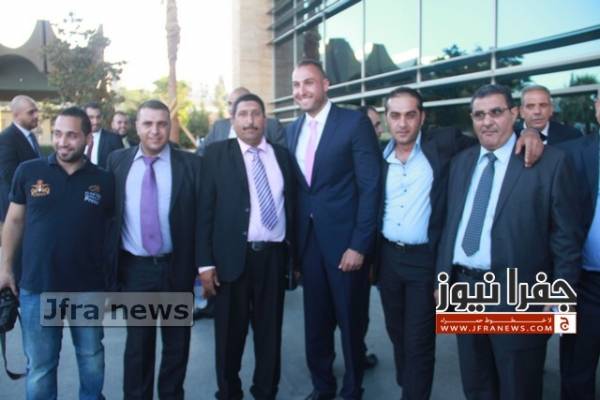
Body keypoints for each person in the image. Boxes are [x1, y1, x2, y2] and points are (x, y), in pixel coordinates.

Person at [375, 87, 543, 399]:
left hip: (426, 259)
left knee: (419, 341)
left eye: (410, 115)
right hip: (388, 259)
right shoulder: (378, 156)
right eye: (395, 115)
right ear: (387, 119)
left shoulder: (445, 144)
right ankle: (407, 383)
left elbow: (494, 139)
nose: (402, 123)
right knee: (398, 334)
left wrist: (528, 131)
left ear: (422, 117)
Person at [435, 84, 582, 400]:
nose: (487, 121)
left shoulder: (551, 162)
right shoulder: (461, 162)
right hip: (464, 292)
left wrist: (561, 298)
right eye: (479, 115)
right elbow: (451, 226)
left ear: (514, 114)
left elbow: (566, 239)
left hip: (520, 294)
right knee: (476, 386)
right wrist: (442, 279)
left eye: (496, 112)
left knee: (519, 389)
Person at [0, 106, 114, 399]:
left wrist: (110, 285)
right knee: (40, 367)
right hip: (38, 287)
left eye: (72, 135)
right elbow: (14, 221)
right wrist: (5, 268)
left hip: (88, 288)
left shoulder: (104, 180)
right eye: (58, 134)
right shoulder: (29, 172)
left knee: (91, 358)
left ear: (88, 138)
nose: (63, 142)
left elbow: (111, 234)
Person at [286, 59, 381, 400]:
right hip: (309, 244)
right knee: (316, 322)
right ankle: (322, 386)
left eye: (308, 83)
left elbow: (370, 187)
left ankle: (353, 387)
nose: (301, 91)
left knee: (351, 321)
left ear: (325, 85)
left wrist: (359, 244)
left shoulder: (354, 123)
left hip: (346, 246)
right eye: (296, 85)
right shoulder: (292, 130)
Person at [198, 93, 296, 400]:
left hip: (273, 259)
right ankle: (229, 393)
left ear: (265, 119)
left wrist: (294, 260)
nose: (250, 121)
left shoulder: (282, 156)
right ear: (233, 119)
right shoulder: (215, 154)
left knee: (270, 334)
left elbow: (291, 205)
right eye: (243, 114)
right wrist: (205, 263)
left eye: (256, 114)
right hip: (231, 261)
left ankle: (266, 392)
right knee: (230, 335)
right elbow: (204, 211)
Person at [106, 99, 201, 399]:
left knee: (176, 346)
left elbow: (203, 218)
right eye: (147, 123)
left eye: (162, 124)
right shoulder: (117, 162)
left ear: (169, 126)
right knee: (138, 347)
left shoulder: (191, 164)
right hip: (136, 271)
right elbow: (106, 217)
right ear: (136, 127)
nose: (155, 131)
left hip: (177, 268)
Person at [559, 96, 600, 400]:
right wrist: (529, 133)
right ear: (597, 107)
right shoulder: (571, 153)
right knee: (577, 371)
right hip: (586, 284)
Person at [195, 87, 285, 156]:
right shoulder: (219, 126)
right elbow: (201, 152)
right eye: (229, 104)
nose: (231, 109)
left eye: (236, 103)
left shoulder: (272, 126)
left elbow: (283, 156)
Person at [0, 95, 41, 222]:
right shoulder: (6, 138)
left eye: (36, 111)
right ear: (16, 115)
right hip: (16, 211)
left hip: (32, 206)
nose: (36, 116)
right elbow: (10, 176)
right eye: (31, 112)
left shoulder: (31, 136)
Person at [517, 84, 582, 145]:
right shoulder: (512, 135)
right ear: (521, 112)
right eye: (530, 106)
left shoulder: (572, 136)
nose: (537, 111)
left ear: (551, 109)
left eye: (543, 105)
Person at [84, 102, 124, 167]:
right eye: (91, 117)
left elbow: (120, 165)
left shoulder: (114, 139)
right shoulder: (77, 138)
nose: (95, 122)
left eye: (98, 117)